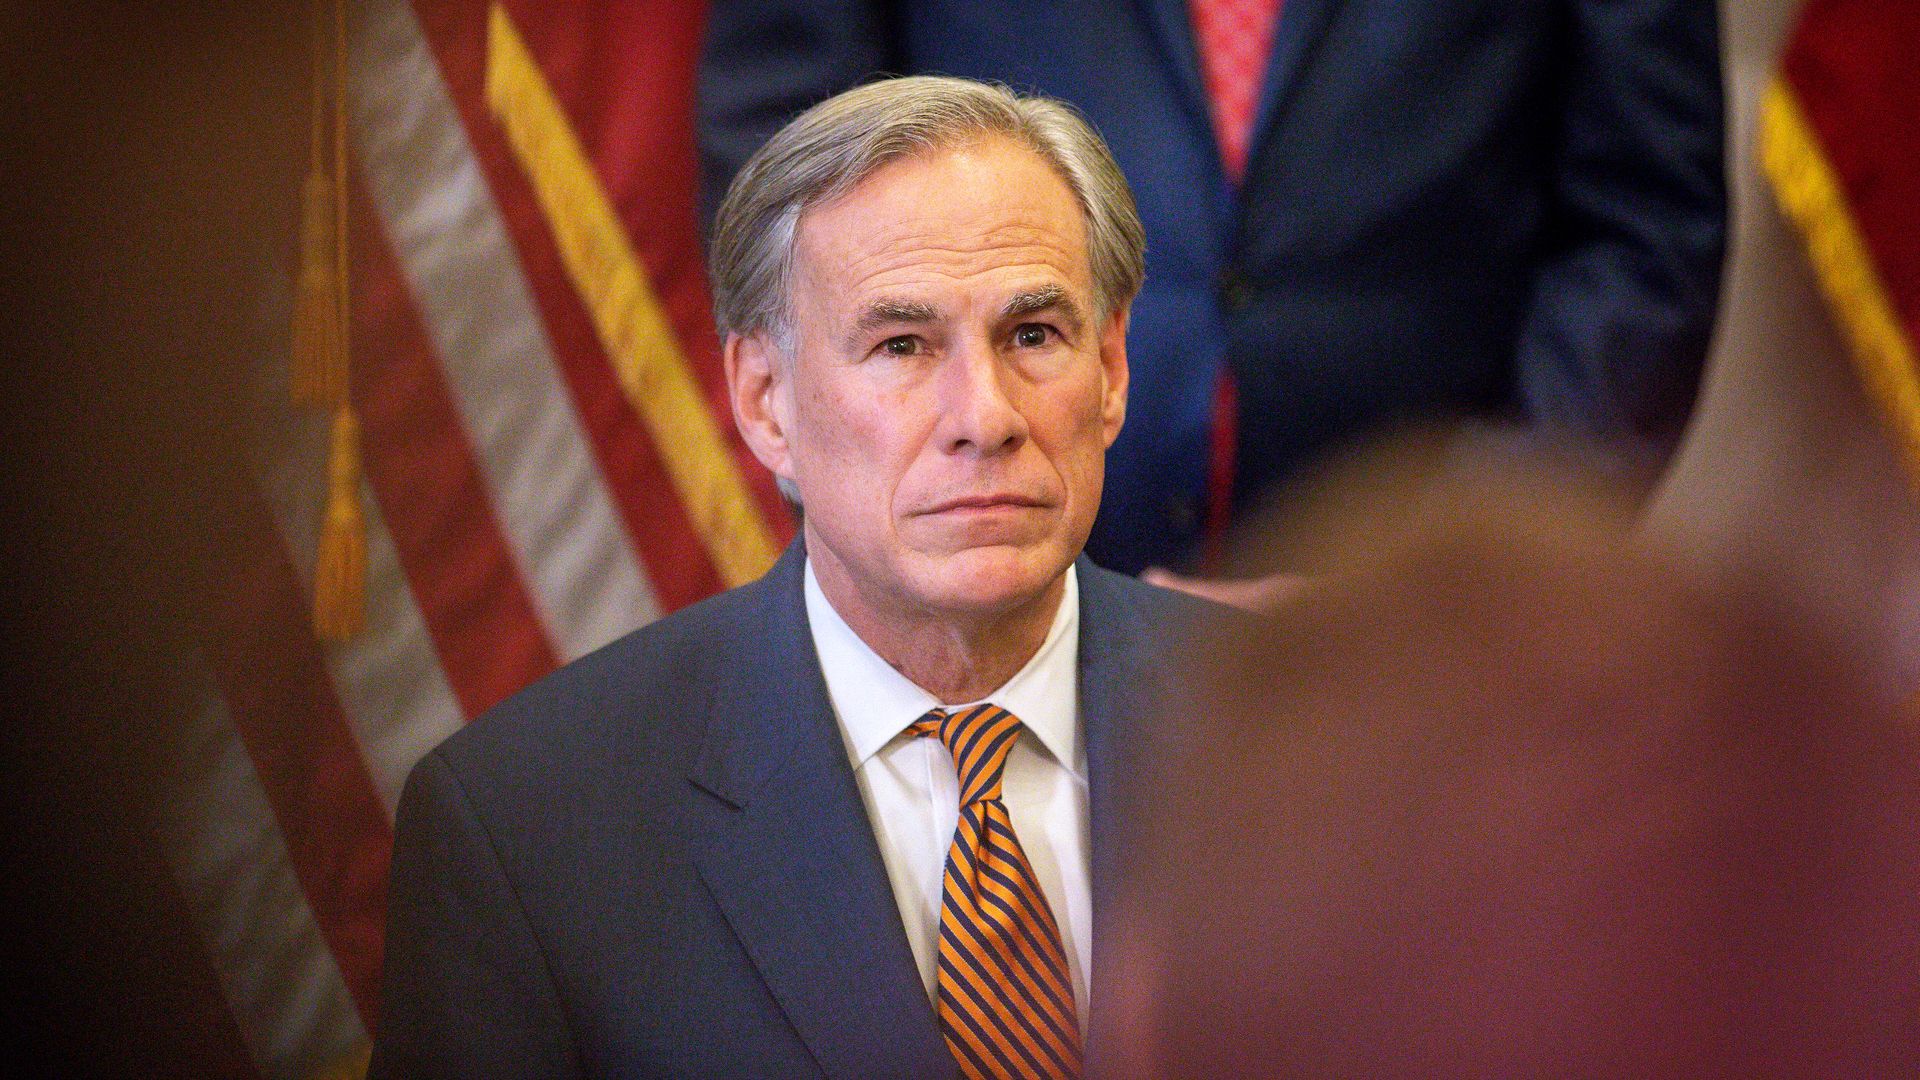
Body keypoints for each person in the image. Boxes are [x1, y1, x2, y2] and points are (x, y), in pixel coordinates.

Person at [369, 76, 1231, 1078]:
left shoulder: (1321, 731)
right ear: (765, 401)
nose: (985, 415)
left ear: (1114, 371)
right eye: (902, 345)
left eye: (1032, 335)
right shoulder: (526, 832)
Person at [698, 0, 1729, 576]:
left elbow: (1645, 229)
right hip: (978, 593)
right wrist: (925, 538)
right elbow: (789, 173)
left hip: (1418, 630)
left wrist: (1454, 576)